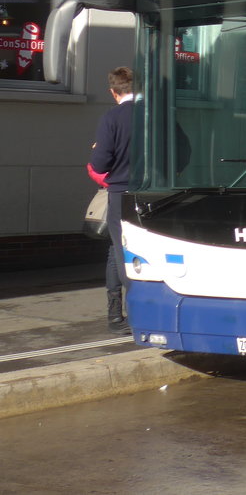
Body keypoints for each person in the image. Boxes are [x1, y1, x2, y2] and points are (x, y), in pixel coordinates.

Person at [88, 67, 134, 333]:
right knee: (123, 250)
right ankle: (123, 314)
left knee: (119, 250)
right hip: (153, 192)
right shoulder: (157, 116)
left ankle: (120, 316)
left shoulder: (112, 118)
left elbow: (100, 162)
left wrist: (97, 151)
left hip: (120, 192)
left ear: (113, 92)